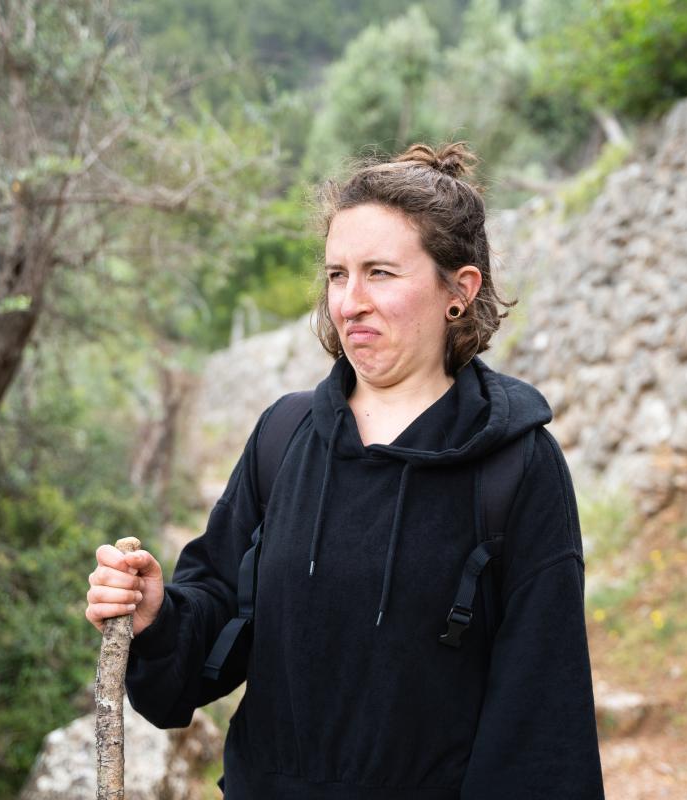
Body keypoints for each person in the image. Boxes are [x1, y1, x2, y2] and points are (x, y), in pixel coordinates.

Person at [85, 141, 606, 799]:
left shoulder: (516, 466)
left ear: (459, 290)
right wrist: (159, 613)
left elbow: (540, 719)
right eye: (337, 274)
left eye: (380, 273)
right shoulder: (285, 438)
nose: (349, 301)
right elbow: (216, 623)